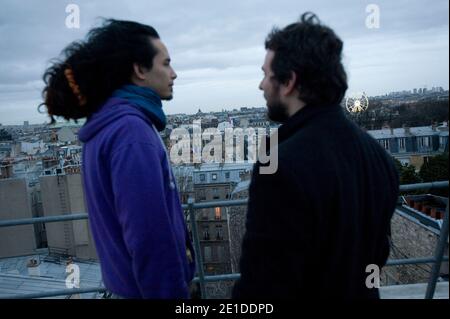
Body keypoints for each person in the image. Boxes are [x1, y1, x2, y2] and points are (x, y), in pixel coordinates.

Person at [232, 13, 399, 299]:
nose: (261, 85)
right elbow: (377, 255)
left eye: (265, 74)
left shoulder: (280, 165)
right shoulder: (378, 157)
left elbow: (262, 284)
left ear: (289, 82)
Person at [40, 19, 195, 299]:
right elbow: (149, 237)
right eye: (165, 63)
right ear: (139, 69)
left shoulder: (105, 126)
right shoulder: (131, 132)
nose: (174, 73)